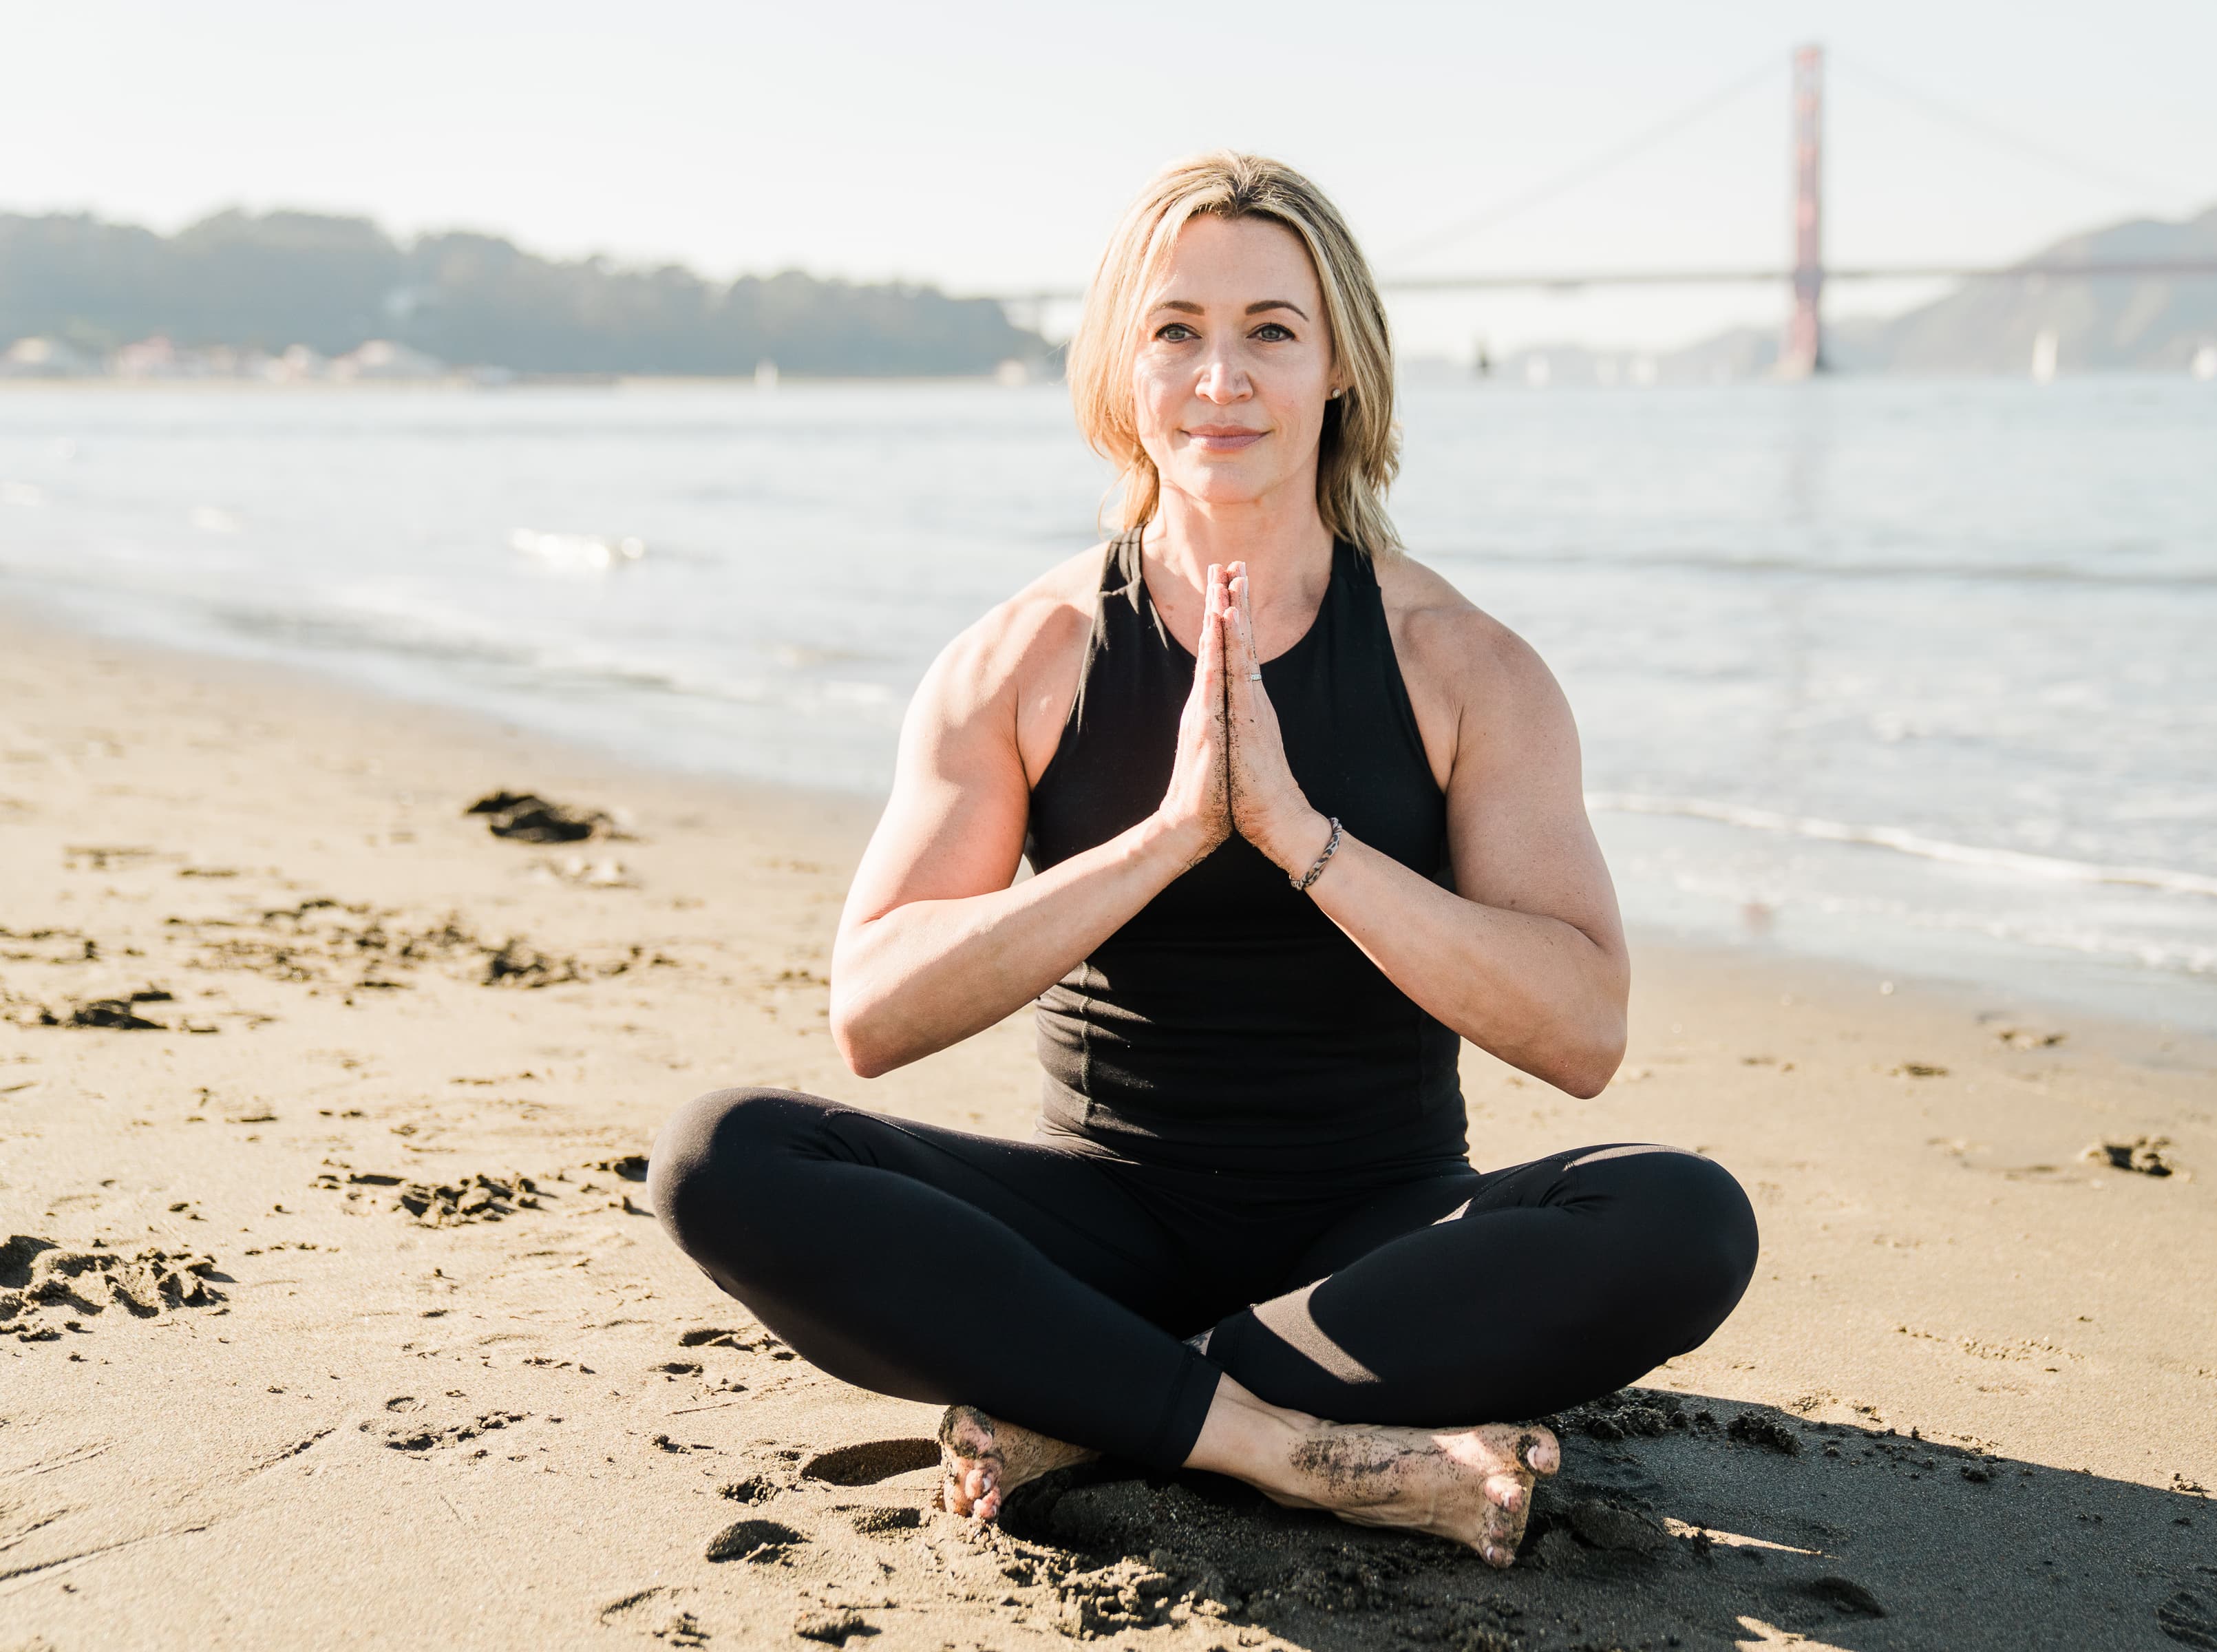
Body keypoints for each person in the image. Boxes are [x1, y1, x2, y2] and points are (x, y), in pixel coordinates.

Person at [650, 152, 1758, 1567]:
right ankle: (1275, 1444)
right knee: (722, 1155)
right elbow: (875, 1009)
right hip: (1100, 1223)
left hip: (1384, 1248)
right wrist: (1169, 835)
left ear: (1341, 365)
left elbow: (1583, 1031)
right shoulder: (1025, 659)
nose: (1220, 377)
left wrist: (1302, 835)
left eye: (1270, 332)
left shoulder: (1464, 666)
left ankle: (1102, 1396)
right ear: (1123, 369)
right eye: (1176, 331)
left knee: (1685, 1217)